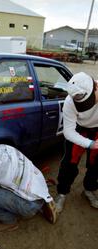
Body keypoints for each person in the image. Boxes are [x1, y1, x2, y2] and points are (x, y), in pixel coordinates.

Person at [0, 144, 58, 232]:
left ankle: (9, 222)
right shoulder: (2, 147)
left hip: (29, 206)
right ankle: (42, 199)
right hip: (40, 186)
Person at [55, 72, 98, 212]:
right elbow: (68, 132)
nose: (87, 106)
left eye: (89, 102)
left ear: (96, 87)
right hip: (79, 129)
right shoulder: (70, 102)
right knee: (69, 163)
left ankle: (89, 189)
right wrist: (90, 144)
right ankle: (62, 192)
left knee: (95, 163)